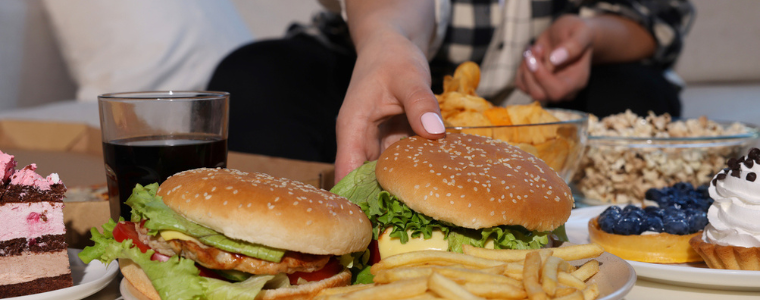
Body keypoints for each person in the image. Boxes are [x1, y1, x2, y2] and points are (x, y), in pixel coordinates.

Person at [207, 0, 694, 182]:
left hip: (562, 90)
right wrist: (388, 40)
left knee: (640, 95)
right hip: (381, 63)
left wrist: (593, 36)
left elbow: (660, 15)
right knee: (255, 78)